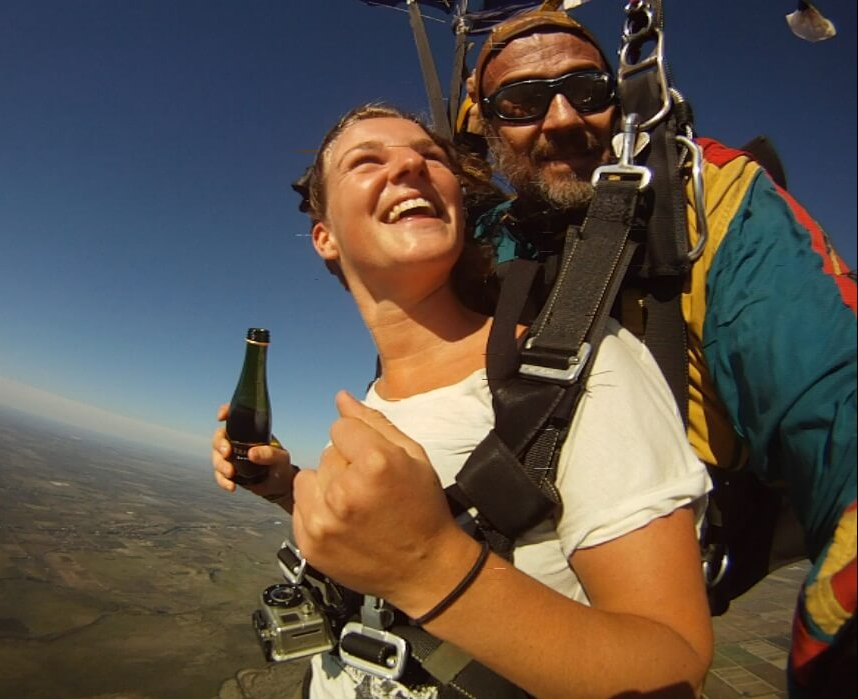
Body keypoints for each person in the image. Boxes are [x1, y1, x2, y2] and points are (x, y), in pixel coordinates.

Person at [214, 104, 713, 697]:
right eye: (367, 161)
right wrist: (286, 486)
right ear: (325, 236)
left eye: (430, 157)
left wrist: (430, 565)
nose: (408, 165)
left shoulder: (583, 369)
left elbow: (674, 666)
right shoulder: (375, 398)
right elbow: (386, 538)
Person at [458, 3, 856, 696]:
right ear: (488, 127)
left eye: (586, 91)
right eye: (521, 102)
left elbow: (835, 412)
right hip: (488, 585)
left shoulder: (706, 206)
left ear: (621, 98)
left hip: (643, 609)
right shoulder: (493, 233)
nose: (560, 120)